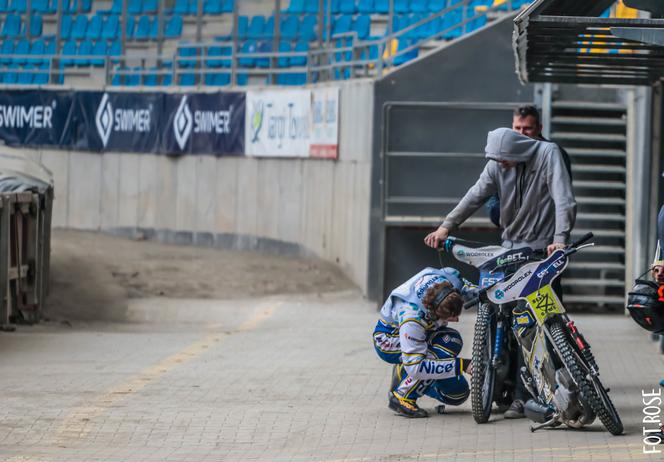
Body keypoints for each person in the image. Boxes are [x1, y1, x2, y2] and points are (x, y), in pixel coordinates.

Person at [424, 127, 577, 418]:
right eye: (496, 160)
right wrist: (446, 226)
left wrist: (560, 239)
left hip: (543, 253)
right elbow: (475, 195)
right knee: (503, 318)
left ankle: (553, 391)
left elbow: (563, 199)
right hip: (509, 250)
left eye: (504, 160)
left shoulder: (548, 154)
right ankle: (505, 387)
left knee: (543, 323)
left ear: (518, 152)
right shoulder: (498, 163)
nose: (500, 165)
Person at [373, 266, 475, 418]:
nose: (457, 320)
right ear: (433, 313)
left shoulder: (451, 280)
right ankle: (402, 396)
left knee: (457, 395)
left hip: (421, 333)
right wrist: (462, 365)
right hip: (388, 339)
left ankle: (406, 374)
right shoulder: (412, 317)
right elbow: (417, 368)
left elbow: (468, 286)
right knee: (449, 342)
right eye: (450, 318)